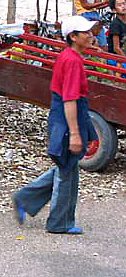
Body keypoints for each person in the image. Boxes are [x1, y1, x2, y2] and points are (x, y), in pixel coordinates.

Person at [12, 16, 98, 234]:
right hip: (67, 117)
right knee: (67, 168)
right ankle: (59, 222)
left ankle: (25, 198)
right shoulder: (72, 61)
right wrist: (76, 133)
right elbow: (70, 99)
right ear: (73, 37)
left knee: (66, 165)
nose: (90, 35)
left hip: (67, 115)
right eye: (85, 32)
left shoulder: (70, 57)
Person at [107, 0, 126, 78]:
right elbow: (116, 48)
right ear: (114, 10)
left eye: (124, 4)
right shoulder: (116, 24)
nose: (123, 6)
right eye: (119, 5)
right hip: (116, 57)